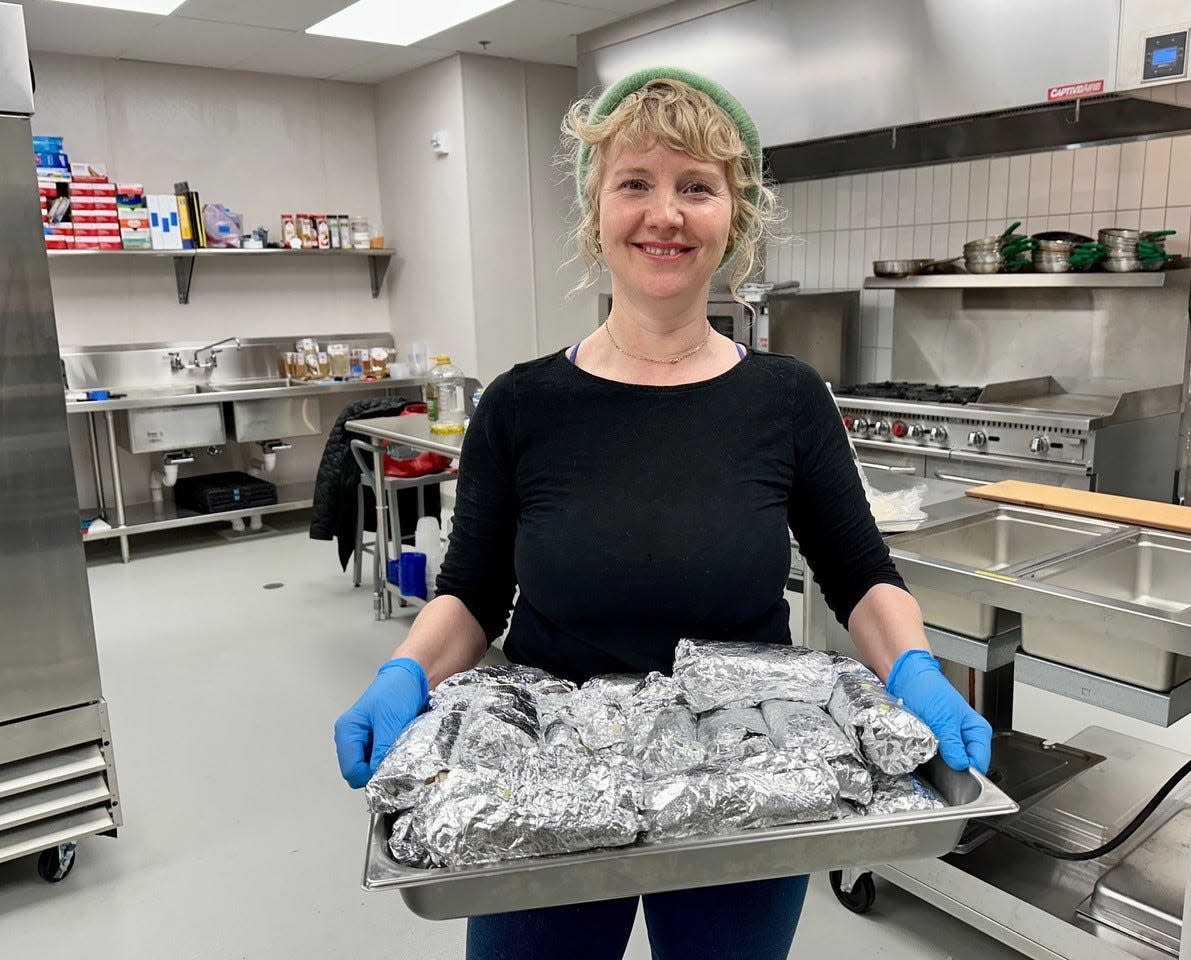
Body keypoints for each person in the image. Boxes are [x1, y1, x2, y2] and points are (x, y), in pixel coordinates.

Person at [334, 66, 992, 960]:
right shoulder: (523, 405)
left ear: (735, 217)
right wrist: (405, 673)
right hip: (540, 769)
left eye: (697, 187)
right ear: (594, 214)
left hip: (750, 769)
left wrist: (915, 670)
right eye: (633, 184)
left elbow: (860, 576)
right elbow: (472, 596)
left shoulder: (787, 399)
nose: (665, 215)